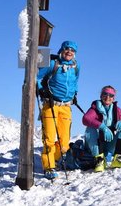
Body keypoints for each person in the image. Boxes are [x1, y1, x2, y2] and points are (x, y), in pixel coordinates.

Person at [36, 40, 80, 179]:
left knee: (64, 143)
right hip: (51, 105)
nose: (69, 51)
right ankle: (49, 166)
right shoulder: (52, 64)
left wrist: (75, 94)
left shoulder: (76, 66)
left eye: (72, 50)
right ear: (62, 50)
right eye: (67, 49)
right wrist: (42, 90)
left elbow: (76, 81)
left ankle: (53, 159)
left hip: (66, 106)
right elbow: (37, 77)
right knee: (49, 138)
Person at [83, 85, 121, 172]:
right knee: (90, 128)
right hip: (94, 144)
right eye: (105, 94)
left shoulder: (117, 110)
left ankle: (118, 158)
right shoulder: (94, 108)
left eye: (111, 95)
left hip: (109, 144)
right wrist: (102, 127)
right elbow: (86, 119)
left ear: (113, 98)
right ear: (101, 95)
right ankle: (99, 160)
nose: (108, 97)